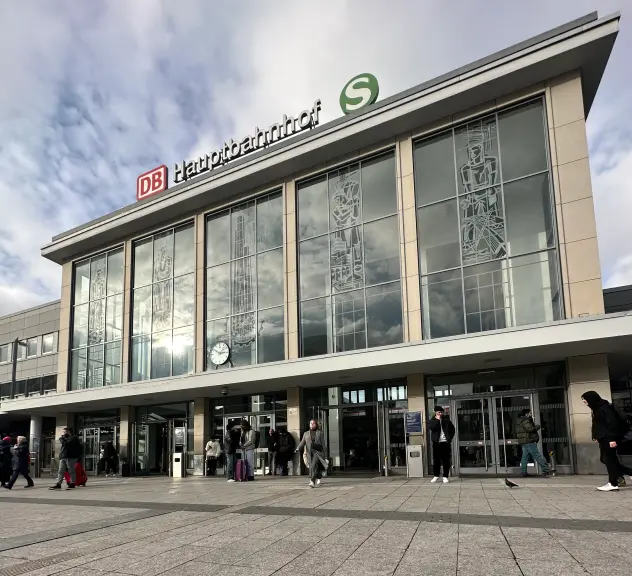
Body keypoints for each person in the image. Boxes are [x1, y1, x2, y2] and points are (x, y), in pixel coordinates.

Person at [582, 390, 632, 492]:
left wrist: (612, 439)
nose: (584, 402)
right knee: (606, 459)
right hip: (603, 438)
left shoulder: (604, 408)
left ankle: (613, 483)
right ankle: (629, 473)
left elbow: (612, 424)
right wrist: (595, 436)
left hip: (608, 438)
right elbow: (597, 425)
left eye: (585, 400)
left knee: (609, 460)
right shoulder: (596, 409)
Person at [517, 409, 550, 477]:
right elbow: (530, 429)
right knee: (537, 455)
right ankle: (545, 469)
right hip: (529, 441)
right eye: (530, 413)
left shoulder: (520, 421)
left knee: (525, 457)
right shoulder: (525, 420)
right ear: (526, 414)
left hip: (524, 442)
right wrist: (537, 426)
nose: (531, 414)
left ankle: (523, 472)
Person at [296, 420, 329, 488]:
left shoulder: (319, 433)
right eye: (311, 423)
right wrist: (298, 448)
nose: (312, 424)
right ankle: (319, 477)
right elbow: (303, 442)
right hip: (310, 452)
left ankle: (312, 481)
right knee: (314, 467)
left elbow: (323, 445)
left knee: (314, 466)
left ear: (316, 424)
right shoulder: (306, 433)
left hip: (318, 452)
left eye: (313, 423)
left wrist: (325, 456)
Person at [428, 406, 455, 484]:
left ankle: (445, 476)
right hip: (436, 443)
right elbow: (432, 428)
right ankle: (436, 475)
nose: (440, 413)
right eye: (439, 412)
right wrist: (437, 420)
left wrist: (449, 438)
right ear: (435, 412)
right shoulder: (432, 420)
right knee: (436, 460)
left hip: (445, 443)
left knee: (446, 460)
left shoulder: (446, 420)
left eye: (441, 412)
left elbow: (453, 429)